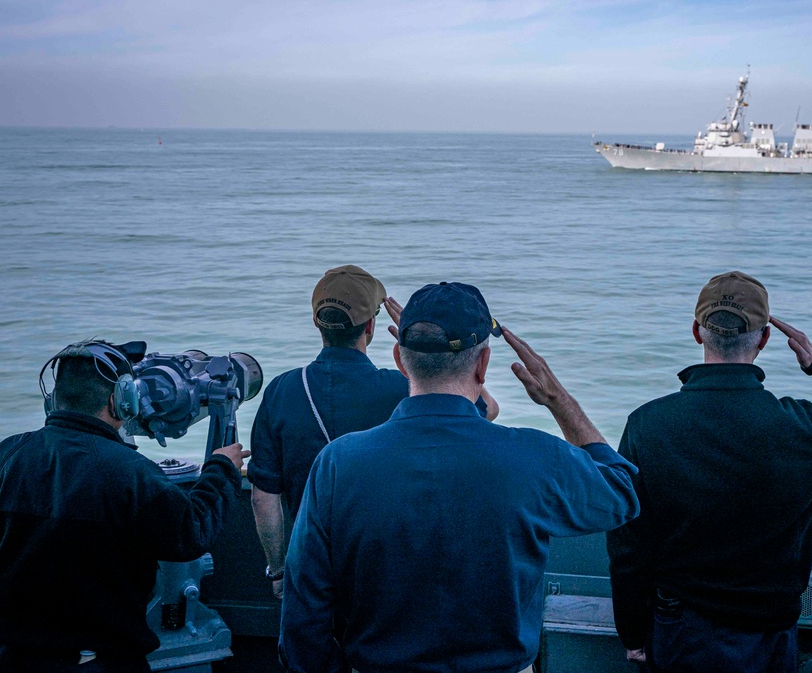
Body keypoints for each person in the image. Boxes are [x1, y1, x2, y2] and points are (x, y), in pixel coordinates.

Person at [278, 281, 640, 673]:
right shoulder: (533, 457)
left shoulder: (338, 463)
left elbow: (303, 614)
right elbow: (620, 493)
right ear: (483, 364)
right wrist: (558, 400)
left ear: (400, 360)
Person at [607, 271, 812, 672]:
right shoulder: (804, 428)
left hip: (681, 630)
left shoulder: (648, 424)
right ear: (764, 340)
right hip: (771, 633)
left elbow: (629, 546)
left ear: (697, 331)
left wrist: (631, 632)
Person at [249, 266, 499, 599]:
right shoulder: (400, 389)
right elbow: (485, 410)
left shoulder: (282, 390)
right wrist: (415, 345)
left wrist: (279, 572)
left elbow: (263, 499)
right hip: (389, 573)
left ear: (316, 322)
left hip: (311, 570)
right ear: (370, 327)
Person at [0, 340, 249, 673]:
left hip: (15, 658)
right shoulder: (131, 473)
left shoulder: (9, 454)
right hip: (102, 661)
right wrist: (221, 469)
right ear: (121, 400)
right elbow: (192, 533)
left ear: (53, 399)